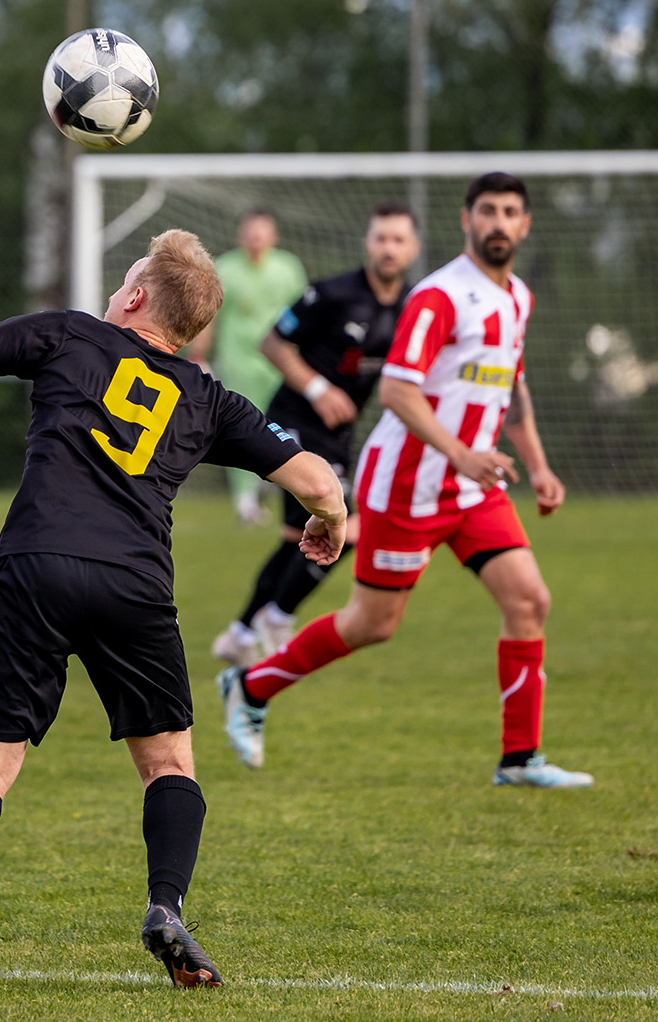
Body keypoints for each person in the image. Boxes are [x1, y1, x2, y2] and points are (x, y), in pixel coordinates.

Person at [0, 229, 348, 993]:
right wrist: (331, 523)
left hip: (33, 569)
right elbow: (316, 476)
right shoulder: (208, 397)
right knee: (169, 762)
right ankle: (165, 907)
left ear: (139, 297)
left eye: (126, 280)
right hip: (134, 585)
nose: (116, 289)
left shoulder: (69, 336)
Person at [218, 174, 594, 789]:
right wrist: (461, 453)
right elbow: (395, 389)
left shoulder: (518, 298)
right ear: (466, 219)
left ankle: (520, 759)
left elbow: (512, 386)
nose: (499, 222)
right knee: (372, 624)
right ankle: (251, 685)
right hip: (408, 485)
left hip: (473, 489)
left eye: (511, 213)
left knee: (530, 600)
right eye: (488, 211)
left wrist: (541, 465)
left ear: (524, 225)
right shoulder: (440, 296)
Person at [213, 204, 419, 667]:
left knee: (296, 537)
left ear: (413, 248)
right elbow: (272, 342)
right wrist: (318, 387)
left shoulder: (413, 307)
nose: (389, 248)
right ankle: (277, 615)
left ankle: (242, 631)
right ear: (368, 243)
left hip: (337, 437)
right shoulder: (332, 293)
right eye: (381, 238)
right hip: (294, 422)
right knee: (347, 526)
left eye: (398, 240)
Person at [186, 208, 307, 524]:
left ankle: (282, 490)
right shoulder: (225, 267)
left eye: (262, 231)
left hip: (279, 364)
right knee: (239, 428)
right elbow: (208, 316)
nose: (256, 238)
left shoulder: (288, 268)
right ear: (241, 234)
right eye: (251, 231)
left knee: (284, 427)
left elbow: (305, 315)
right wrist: (199, 353)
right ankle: (244, 500)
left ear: (273, 235)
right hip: (238, 363)